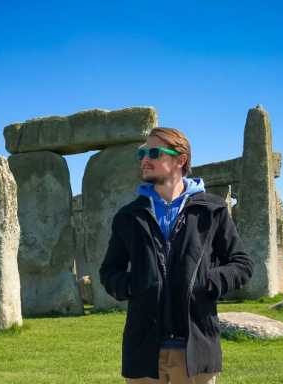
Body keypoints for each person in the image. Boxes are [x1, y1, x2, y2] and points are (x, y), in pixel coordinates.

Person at [99, 127, 254, 384]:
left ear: (181, 160)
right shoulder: (128, 216)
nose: (145, 159)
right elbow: (109, 271)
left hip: (196, 346)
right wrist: (133, 286)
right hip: (144, 349)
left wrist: (208, 282)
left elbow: (242, 263)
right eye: (142, 152)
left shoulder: (212, 210)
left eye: (154, 152)